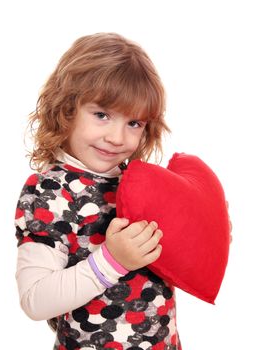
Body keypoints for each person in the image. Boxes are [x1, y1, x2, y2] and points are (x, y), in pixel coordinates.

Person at [14, 32, 181, 350]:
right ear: (66, 111)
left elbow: (171, 255)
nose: (118, 138)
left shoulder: (142, 183)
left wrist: (205, 229)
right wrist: (112, 260)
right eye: (102, 115)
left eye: (134, 123)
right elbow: (35, 300)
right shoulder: (49, 192)